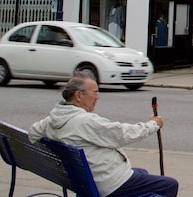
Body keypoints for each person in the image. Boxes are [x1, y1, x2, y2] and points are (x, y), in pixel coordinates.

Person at [28, 74, 179, 197]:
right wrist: (153, 125)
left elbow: (33, 133)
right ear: (79, 95)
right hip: (108, 184)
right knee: (169, 185)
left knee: (141, 172)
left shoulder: (54, 119)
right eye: (95, 93)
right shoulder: (84, 121)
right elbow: (121, 134)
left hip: (87, 180)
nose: (97, 97)